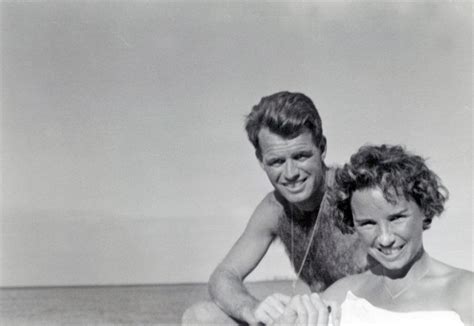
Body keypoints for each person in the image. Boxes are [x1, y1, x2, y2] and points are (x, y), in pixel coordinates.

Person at [182, 91, 368, 325]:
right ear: (261, 160)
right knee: (201, 316)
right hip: (308, 318)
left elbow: (396, 276)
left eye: (301, 156)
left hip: (355, 316)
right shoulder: (274, 209)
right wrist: (251, 309)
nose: (291, 174)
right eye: (277, 162)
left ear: (321, 147)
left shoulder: (354, 195)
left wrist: (321, 305)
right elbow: (223, 277)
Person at [275, 144, 473, 326]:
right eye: (368, 223)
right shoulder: (341, 295)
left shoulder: (466, 292)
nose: (385, 238)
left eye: (396, 218)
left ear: (424, 209)